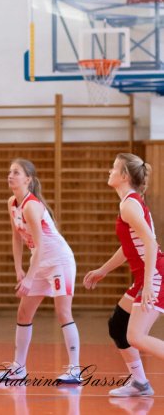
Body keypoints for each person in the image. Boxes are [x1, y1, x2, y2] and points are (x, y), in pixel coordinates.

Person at [0, 159, 80, 383]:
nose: (10, 175)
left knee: (63, 312)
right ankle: (18, 368)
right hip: (39, 262)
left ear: (28, 179)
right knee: (24, 313)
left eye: (16, 172)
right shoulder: (12, 202)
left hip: (58, 261)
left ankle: (75, 369)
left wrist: (30, 278)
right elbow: (17, 237)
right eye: (9, 171)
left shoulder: (32, 206)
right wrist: (19, 269)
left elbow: (41, 245)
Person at [84, 152, 163, 397]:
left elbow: (150, 243)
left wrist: (148, 283)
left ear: (124, 175)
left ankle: (140, 383)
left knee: (136, 336)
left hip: (155, 274)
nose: (109, 172)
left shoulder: (129, 205)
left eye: (113, 168)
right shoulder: (129, 202)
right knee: (118, 326)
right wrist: (102, 270)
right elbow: (130, 245)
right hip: (146, 275)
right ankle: (140, 383)